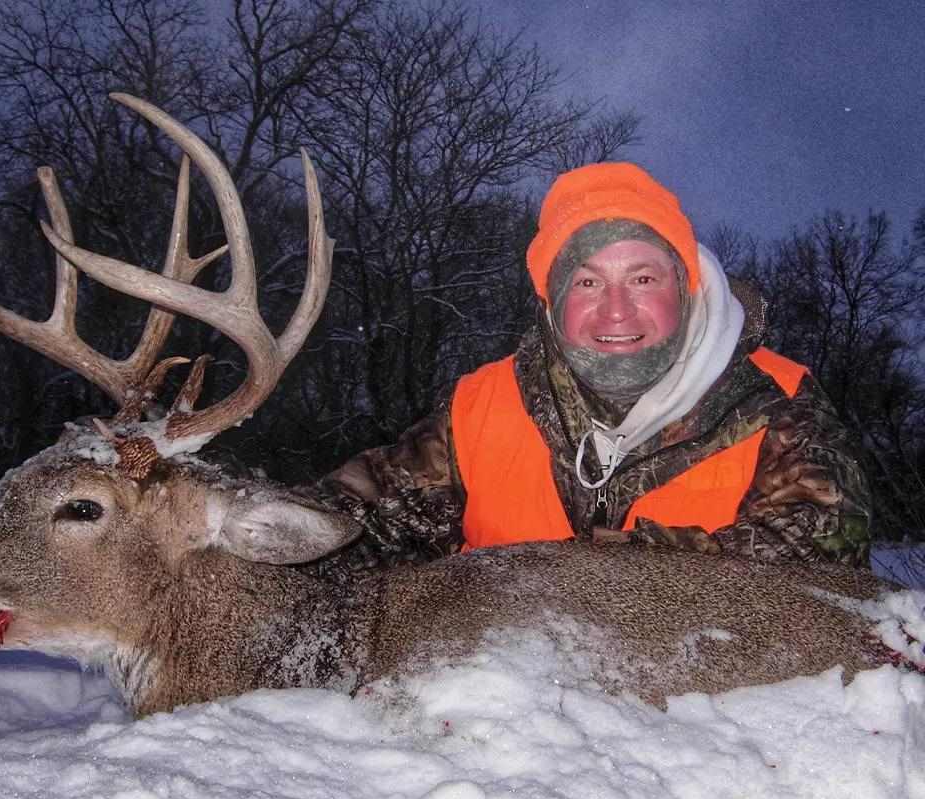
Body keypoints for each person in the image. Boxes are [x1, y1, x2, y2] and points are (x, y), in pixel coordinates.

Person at [313, 162, 871, 574]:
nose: (616, 310)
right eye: (586, 281)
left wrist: (601, 574)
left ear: (687, 286)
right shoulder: (480, 406)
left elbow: (817, 572)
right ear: (552, 302)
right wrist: (248, 518)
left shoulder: (779, 403)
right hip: (492, 703)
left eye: (643, 279)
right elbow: (359, 518)